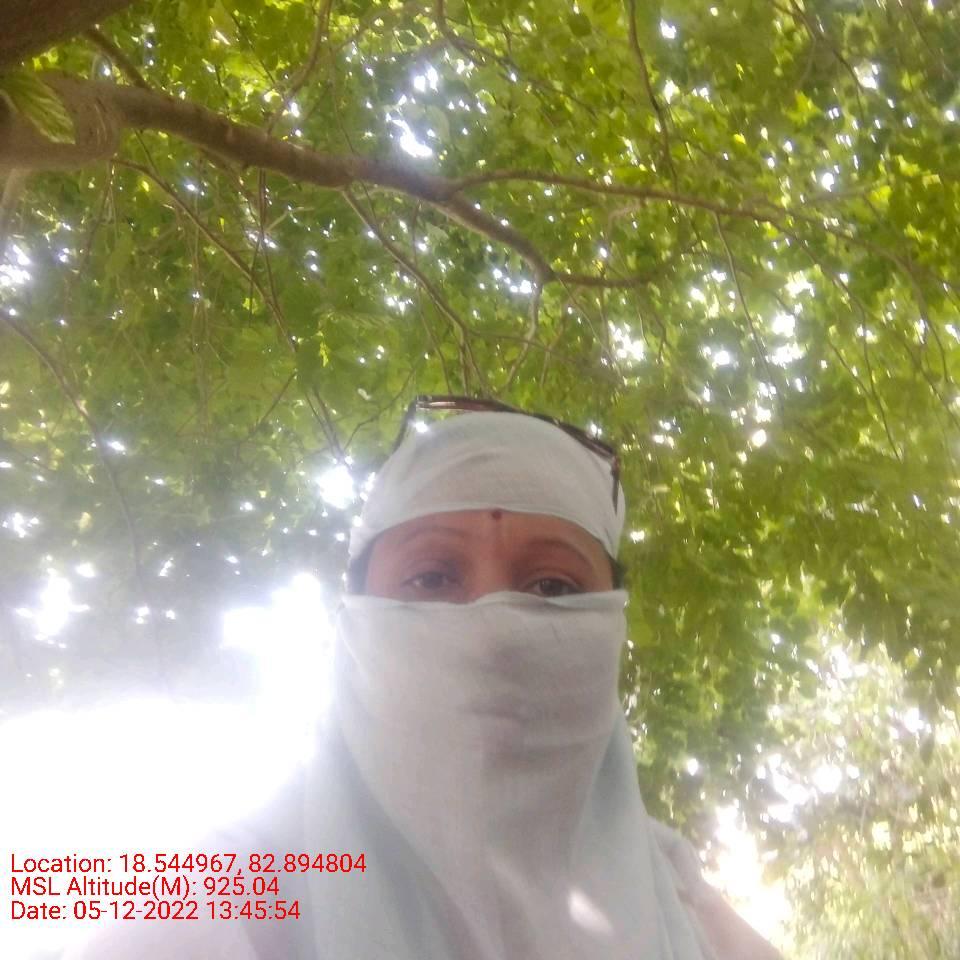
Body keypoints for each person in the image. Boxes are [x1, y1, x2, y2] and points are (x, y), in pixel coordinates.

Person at [66, 397, 781, 960]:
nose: (494, 628)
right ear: (355, 618)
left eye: (554, 587)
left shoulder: (687, 907)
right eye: (432, 577)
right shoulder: (218, 898)